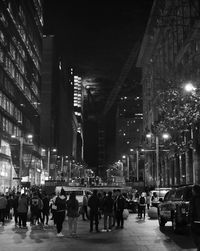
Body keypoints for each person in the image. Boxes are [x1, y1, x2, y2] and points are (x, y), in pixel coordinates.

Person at [190, 184, 200, 251]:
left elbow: (193, 210)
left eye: (192, 190)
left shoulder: (195, 199)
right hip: (197, 221)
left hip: (196, 221)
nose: (192, 191)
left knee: (196, 237)